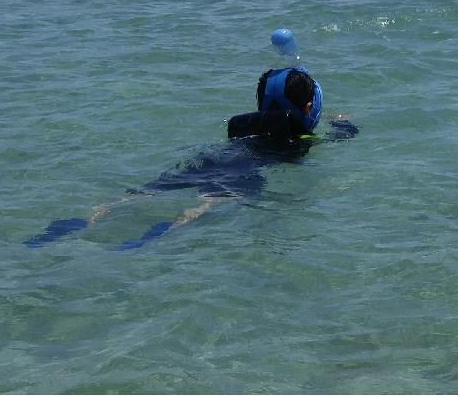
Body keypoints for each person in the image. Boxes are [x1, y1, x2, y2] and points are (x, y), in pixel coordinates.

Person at [25, 29, 355, 251]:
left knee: (144, 192)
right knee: (204, 205)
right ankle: (162, 232)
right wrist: (339, 121)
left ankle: (97, 214)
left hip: (214, 157)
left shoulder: (246, 124)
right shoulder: (303, 137)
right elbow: (344, 135)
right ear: (308, 107)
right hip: (245, 172)